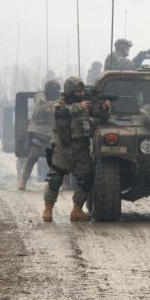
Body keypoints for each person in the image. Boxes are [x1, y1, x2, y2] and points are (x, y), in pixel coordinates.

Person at [42, 77, 109, 223]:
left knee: (87, 178)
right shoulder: (60, 103)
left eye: (82, 91)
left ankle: (77, 210)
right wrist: (79, 107)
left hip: (81, 149)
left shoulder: (85, 103)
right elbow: (60, 114)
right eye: (77, 92)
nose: (81, 94)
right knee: (55, 178)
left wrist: (104, 108)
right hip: (63, 148)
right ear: (69, 92)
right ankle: (48, 209)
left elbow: (99, 115)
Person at [19, 79, 60, 190]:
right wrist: (52, 106)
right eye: (55, 90)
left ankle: (55, 182)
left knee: (58, 159)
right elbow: (40, 110)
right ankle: (23, 180)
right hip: (39, 132)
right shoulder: (40, 97)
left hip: (53, 133)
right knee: (33, 156)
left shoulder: (58, 99)